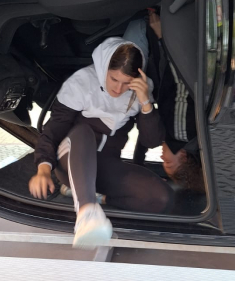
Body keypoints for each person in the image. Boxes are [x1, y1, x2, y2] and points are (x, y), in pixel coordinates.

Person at [29, 36, 173, 248]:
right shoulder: (82, 82)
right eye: (114, 79)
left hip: (104, 168)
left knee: (161, 197)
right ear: (104, 68)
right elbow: (53, 130)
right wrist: (43, 169)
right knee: (83, 132)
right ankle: (87, 214)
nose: (119, 89)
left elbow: (151, 141)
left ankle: (97, 197)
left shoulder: (141, 90)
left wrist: (145, 102)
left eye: (127, 83)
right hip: (70, 160)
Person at [146, 10, 205, 195]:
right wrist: (163, 37)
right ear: (184, 156)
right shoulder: (181, 132)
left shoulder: (186, 137)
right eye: (168, 161)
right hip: (175, 45)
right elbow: (181, 82)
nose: (162, 156)